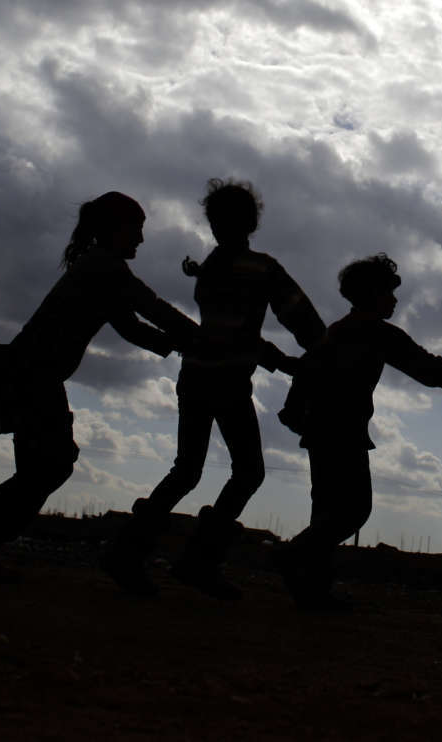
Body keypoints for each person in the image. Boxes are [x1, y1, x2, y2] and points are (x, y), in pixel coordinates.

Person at [0, 191, 195, 583]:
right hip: (34, 376)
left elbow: (130, 325)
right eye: (135, 229)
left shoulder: (99, 267)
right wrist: (201, 339)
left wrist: (181, 344)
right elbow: (152, 308)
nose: (141, 239)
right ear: (114, 229)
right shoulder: (104, 267)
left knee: (45, 466)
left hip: (37, 376)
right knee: (51, 465)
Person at [104, 178, 324, 599]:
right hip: (226, 381)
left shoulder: (211, 269)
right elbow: (297, 321)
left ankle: (130, 551)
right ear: (252, 222)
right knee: (248, 471)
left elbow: (229, 329)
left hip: (195, 377)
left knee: (187, 470)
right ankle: (197, 561)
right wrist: (309, 355)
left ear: (213, 223)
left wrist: (278, 356)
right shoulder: (260, 268)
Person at [275, 254, 442, 612]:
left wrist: (294, 410)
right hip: (341, 431)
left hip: (322, 428)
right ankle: (295, 557)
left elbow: (308, 368)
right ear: (372, 294)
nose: (394, 300)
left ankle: (313, 590)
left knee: (328, 512)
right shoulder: (375, 332)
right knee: (353, 511)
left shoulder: (339, 329)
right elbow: (426, 367)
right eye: (388, 293)